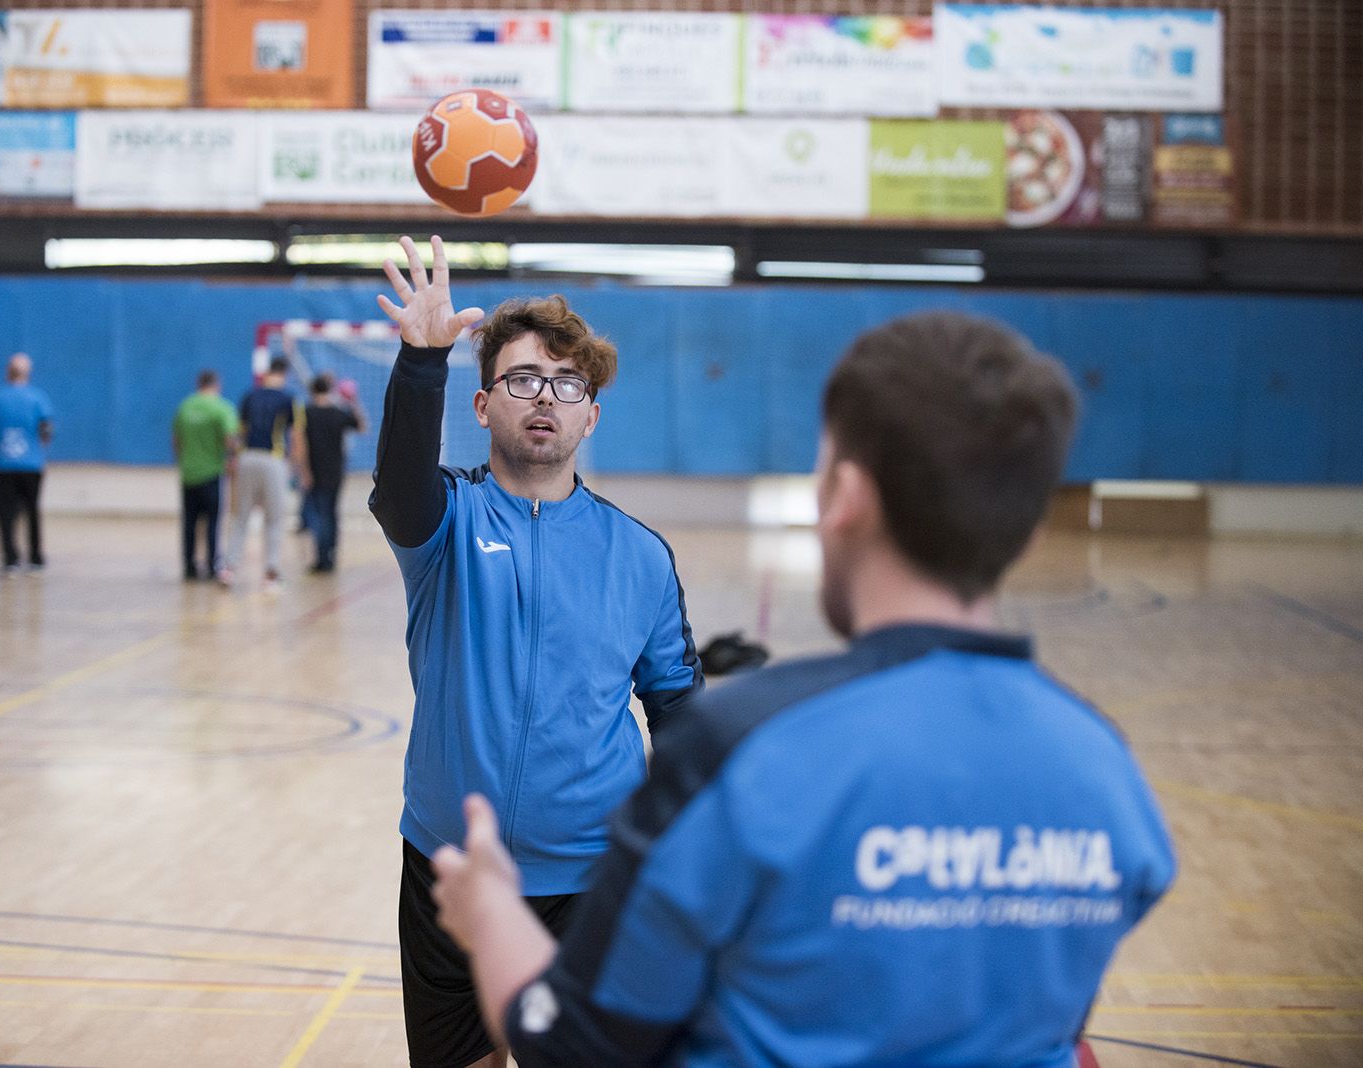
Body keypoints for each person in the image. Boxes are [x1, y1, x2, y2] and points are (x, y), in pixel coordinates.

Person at [433, 311, 1178, 1067]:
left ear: (843, 497)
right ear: (1028, 530)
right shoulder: (1106, 775)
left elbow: (581, 1044)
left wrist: (491, 911)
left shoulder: (745, 753)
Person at [371, 235, 703, 1068]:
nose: (545, 397)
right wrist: (422, 362)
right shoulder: (445, 522)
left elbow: (680, 712)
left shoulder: (640, 556)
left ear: (592, 412)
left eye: (568, 383)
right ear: (483, 406)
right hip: (453, 871)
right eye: (521, 379)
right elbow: (398, 491)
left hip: (593, 888)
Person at [220, 355, 307, 589]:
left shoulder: (250, 395)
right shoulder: (289, 398)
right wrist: (298, 468)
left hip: (246, 458)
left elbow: (240, 432)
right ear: (285, 374)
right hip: (273, 460)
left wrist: (234, 460)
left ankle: (228, 568)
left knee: (240, 516)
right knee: (275, 518)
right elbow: (296, 437)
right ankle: (271, 573)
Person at [0, 352, 54, 574]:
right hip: (31, 464)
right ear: (27, 373)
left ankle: (10, 557)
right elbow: (46, 431)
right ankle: (35, 556)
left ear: (7, 372)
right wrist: (39, 452)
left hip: (3, 465)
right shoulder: (38, 398)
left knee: (6, 513)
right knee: (32, 511)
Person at [173, 369, 240, 581]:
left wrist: (184, 460)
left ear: (198, 384)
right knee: (213, 522)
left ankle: (189, 566)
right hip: (211, 473)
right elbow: (231, 438)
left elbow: (176, 440)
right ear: (217, 385)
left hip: (188, 474)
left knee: (190, 523)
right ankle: (212, 565)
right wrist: (232, 459)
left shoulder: (185, 406)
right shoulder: (222, 408)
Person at [300, 372, 367, 573]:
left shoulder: (306, 413)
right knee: (331, 512)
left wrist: (303, 471)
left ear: (312, 391)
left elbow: (300, 444)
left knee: (319, 514)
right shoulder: (339, 412)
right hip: (335, 471)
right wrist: (354, 401)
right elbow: (362, 427)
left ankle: (322, 558)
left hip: (314, 471)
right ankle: (330, 556)